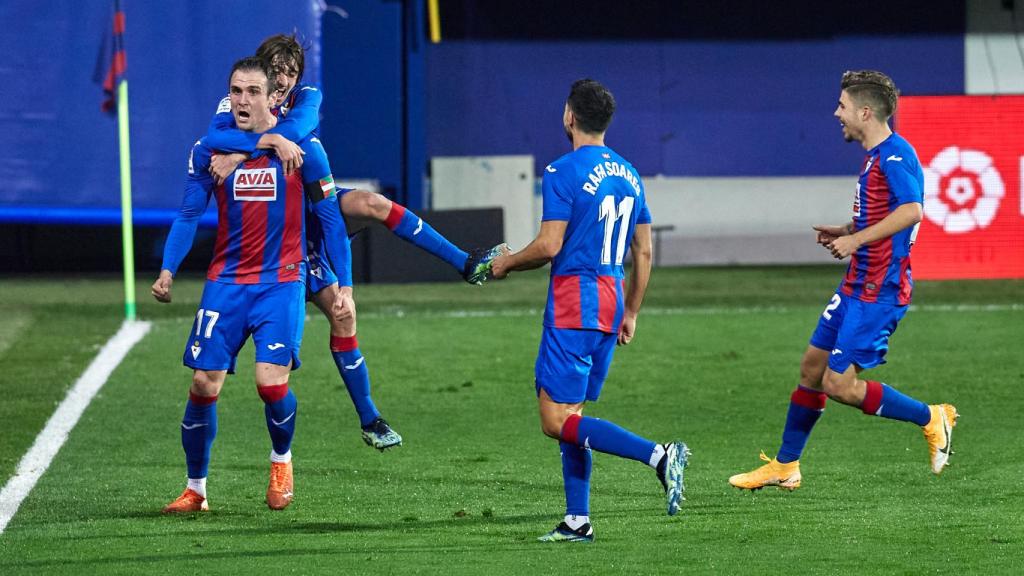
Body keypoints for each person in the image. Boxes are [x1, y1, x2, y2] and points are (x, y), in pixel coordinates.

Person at [204, 34, 506, 449]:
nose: (285, 79)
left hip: (306, 211)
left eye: (291, 72)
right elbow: (213, 137)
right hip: (266, 236)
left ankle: (372, 418)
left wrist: (245, 151)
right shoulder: (237, 102)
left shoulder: (305, 96)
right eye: (277, 70)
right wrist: (253, 145)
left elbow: (299, 126)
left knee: (370, 213)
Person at [728, 70, 958, 492]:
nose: (837, 113)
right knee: (811, 368)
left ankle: (931, 416)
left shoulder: (895, 155)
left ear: (865, 111)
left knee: (838, 384)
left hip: (880, 289)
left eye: (843, 106)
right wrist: (846, 229)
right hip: (856, 283)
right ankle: (785, 466)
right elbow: (880, 214)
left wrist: (855, 240)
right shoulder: (874, 156)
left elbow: (912, 211)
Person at [490, 79, 689, 543]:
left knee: (555, 420)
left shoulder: (562, 171)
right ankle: (578, 520)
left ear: (569, 117)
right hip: (611, 299)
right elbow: (643, 252)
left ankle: (659, 456)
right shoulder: (630, 173)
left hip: (573, 300)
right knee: (573, 417)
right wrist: (633, 311)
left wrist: (507, 263)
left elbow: (549, 245)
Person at [153, 57, 351, 513]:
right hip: (225, 281)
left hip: (281, 281)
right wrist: (167, 269)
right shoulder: (210, 152)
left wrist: (345, 284)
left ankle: (281, 460)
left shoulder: (305, 152)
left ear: (273, 97)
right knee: (204, 384)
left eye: (254, 92)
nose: (243, 100)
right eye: (236, 91)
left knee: (269, 382)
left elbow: (331, 220)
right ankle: (196, 490)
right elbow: (187, 215)